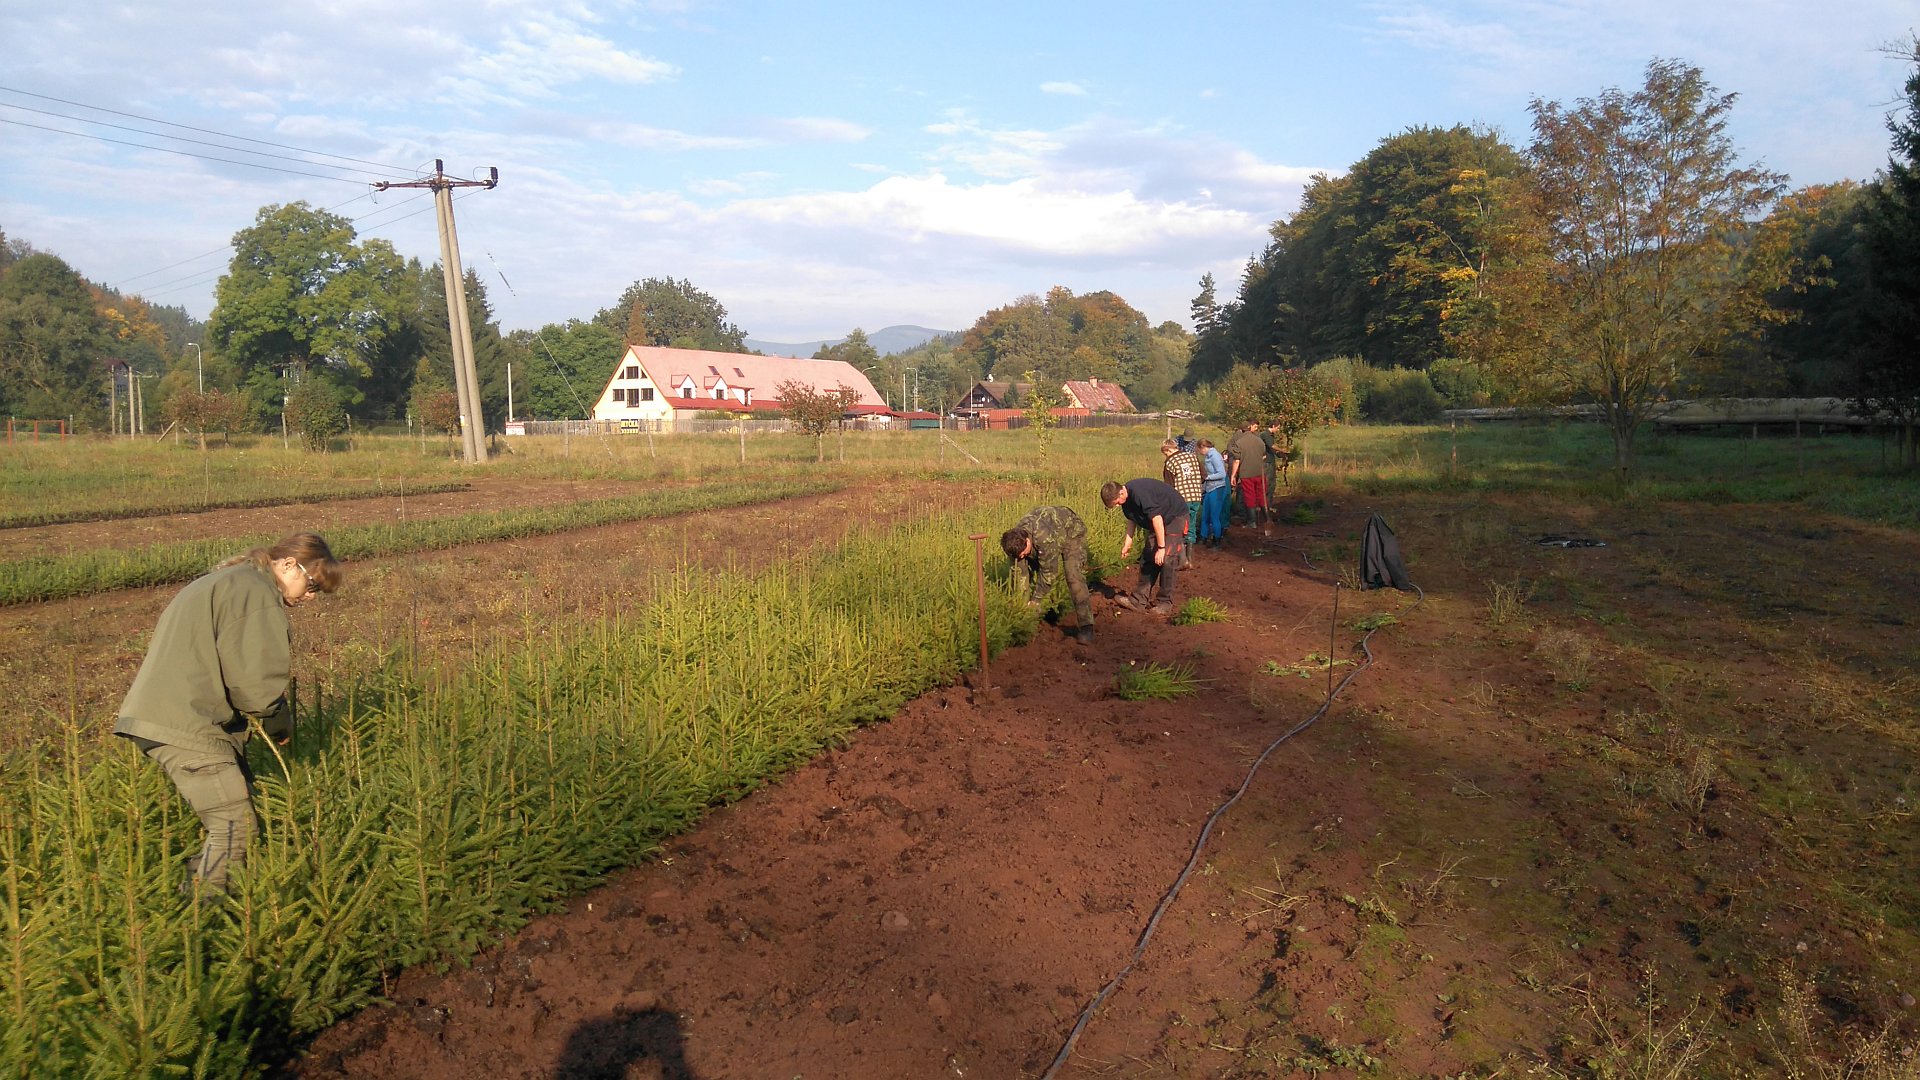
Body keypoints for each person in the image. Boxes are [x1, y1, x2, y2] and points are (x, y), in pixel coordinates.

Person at [115, 533, 343, 895]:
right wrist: (279, 722)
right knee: (234, 826)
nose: (311, 596)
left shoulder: (231, 580)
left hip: (170, 714)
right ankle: (201, 912)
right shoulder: (255, 593)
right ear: (288, 565)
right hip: (187, 722)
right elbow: (255, 681)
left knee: (233, 819)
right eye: (312, 584)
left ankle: (199, 895)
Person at [1001, 507, 1096, 645]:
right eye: (1018, 555)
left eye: (1023, 553)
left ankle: (1086, 625)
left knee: (1073, 576)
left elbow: (1048, 574)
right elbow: (1020, 575)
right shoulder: (1014, 543)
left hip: (1070, 532)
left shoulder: (1044, 538)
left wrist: (1035, 601)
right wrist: (1022, 607)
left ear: (1027, 541)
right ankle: (1033, 621)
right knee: (1027, 571)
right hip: (1049, 532)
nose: (1021, 557)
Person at [1100, 478, 1187, 616]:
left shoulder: (1140, 494)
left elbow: (1157, 519)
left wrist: (1161, 548)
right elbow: (1132, 519)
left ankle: (1165, 603)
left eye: (1117, 503)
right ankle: (1138, 600)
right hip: (1158, 521)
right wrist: (1128, 543)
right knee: (1148, 556)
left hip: (1174, 517)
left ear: (1121, 493)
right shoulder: (1126, 500)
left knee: (1167, 559)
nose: (1117, 506)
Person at [1159, 438, 1204, 567]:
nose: (1166, 456)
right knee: (1191, 526)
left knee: (1179, 528)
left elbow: (1169, 486)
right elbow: (1204, 475)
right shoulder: (1192, 457)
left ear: (1168, 450)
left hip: (1181, 499)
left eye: (1165, 453)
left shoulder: (1170, 462)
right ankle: (1189, 560)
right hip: (1196, 495)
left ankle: (1183, 560)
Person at [1227, 420, 1272, 536]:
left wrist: (1233, 475)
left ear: (1241, 430)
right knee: (1261, 495)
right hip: (1260, 473)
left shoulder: (1239, 443)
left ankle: (1252, 522)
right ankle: (1267, 519)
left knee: (1249, 497)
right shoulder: (1259, 440)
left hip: (1247, 474)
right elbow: (1263, 456)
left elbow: (1236, 461)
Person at [1197, 437, 1229, 548]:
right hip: (1209, 488)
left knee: (1214, 515)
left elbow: (1222, 474)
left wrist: (1207, 477)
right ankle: (1203, 537)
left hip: (1217, 488)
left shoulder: (1215, 456)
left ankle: (1217, 539)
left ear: (1203, 447)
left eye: (1199, 450)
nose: (1200, 453)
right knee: (1205, 515)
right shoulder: (1208, 456)